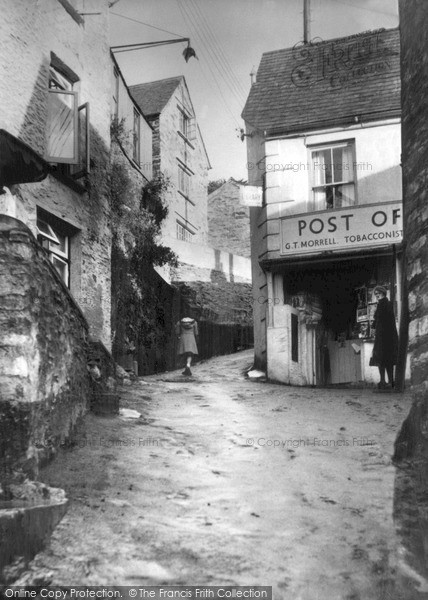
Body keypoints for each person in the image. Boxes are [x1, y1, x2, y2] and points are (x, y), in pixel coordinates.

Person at [371, 286, 398, 389]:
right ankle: (385, 381)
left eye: (378, 293)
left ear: (383, 293)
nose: (376, 295)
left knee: (385, 359)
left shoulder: (385, 304)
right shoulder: (382, 304)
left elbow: (384, 321)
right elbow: (377, 321)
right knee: (382, 359)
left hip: (385, 337)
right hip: (383, 336)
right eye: (375, 293)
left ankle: (388, 381)